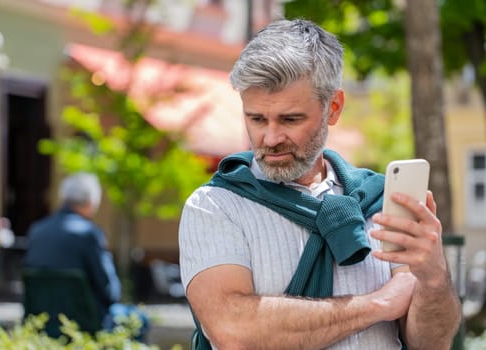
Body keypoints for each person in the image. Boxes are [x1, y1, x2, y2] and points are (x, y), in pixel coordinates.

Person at [179, 19, 461, 349]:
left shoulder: (382, 202)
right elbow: (234, 330)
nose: (270, 138)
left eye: (290, 119)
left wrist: (433, 277)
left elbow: (432, 342)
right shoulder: (215, 206)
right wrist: (377, 304)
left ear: (334, 108)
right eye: (256, 118)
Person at [23, 172, 149, 340]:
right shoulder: (89, 235)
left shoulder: (36, 230)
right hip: (88, 323)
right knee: (139, 319)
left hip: (44, 322)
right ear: (92, 202)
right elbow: (110, 291)